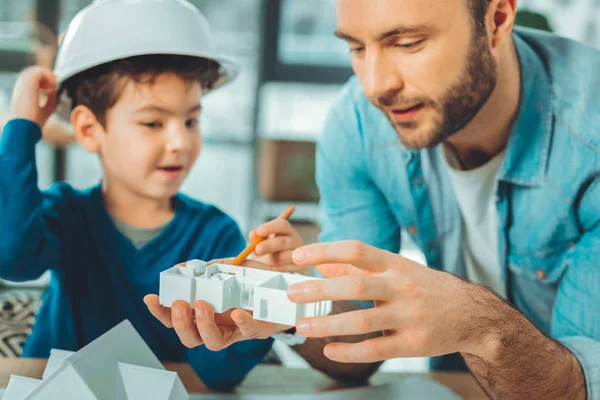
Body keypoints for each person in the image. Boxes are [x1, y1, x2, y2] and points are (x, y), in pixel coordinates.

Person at [278, 0, 600, 399]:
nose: (376, 86)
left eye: (408, 43)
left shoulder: (591, 139)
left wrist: (479, 326)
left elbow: (575, 388)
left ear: (497, 19)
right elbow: (356, 342)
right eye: (357, 48)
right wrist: (281, 298)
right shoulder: (358, 123)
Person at [0, 0, 299, 391]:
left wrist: (269, 299)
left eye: (191, 120)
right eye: (153, 122)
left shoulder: (216, 235)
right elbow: (10, 255)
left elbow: (218, 374)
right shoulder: (66, 213)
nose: (180, 142)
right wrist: (20, 126)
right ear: (89, 130)